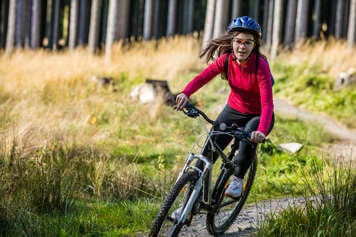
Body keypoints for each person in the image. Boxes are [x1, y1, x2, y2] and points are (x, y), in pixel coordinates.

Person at [176, 16, 274, 199]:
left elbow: (268, 103)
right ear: (232, 41)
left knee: (248, 139)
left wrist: (261, 131)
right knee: (207, 154)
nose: (242, 47)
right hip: (234, 110)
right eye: (238, 41)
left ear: (255, 45)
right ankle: (187, 206)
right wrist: (185, 93)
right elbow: (202, 78)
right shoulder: (226, 60)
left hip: (258, 115)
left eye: (247, 42)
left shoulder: (260, 66)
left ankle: (237, 180)